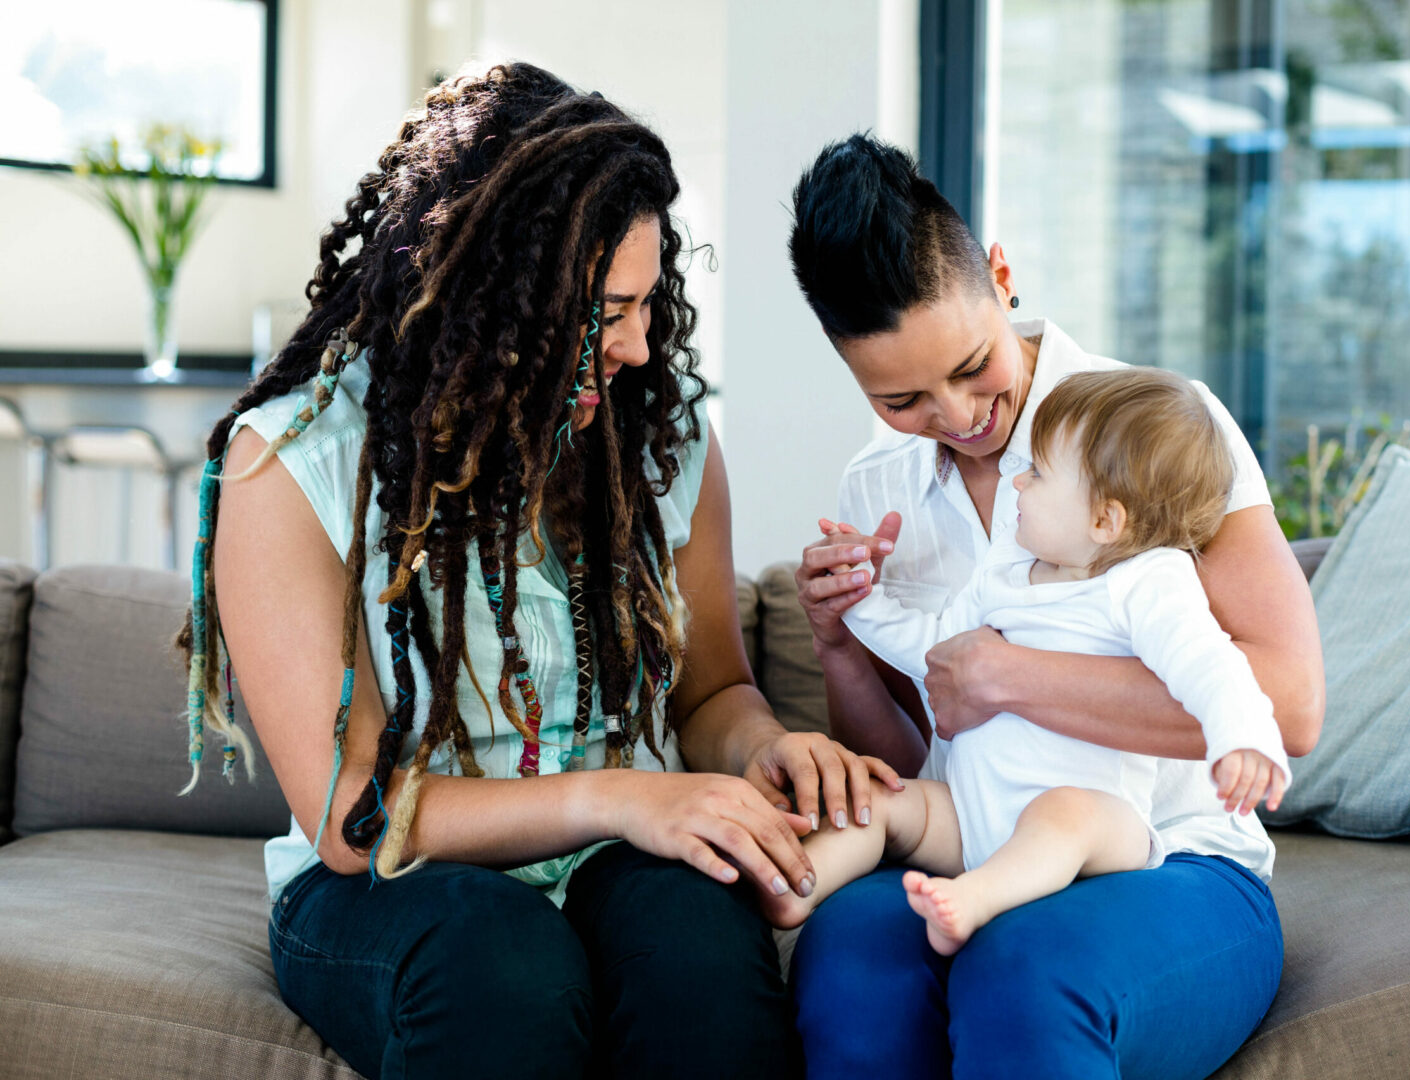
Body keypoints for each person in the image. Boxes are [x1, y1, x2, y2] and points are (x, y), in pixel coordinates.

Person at [178, 64, 899, 1080]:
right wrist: (618, 798)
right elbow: (357, 817)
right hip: (390, 886)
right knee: (506, 967)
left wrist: (766, 746)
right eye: (607, 313)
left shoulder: (662, 435)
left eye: (649, 305)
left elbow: (713, 695)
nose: (643, 348)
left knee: (700, 952)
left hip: (618, 854)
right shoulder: (293, 461)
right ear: (491, 298)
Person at [787, 134, 1325, 1079]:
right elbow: (912, 767)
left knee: (1027, 971)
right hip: (977, 841)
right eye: (902, 397)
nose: (955, 417)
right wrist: (837, 643)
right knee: (850, 965)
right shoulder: (878, 489)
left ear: (1001, 280)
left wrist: (1009, 675)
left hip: (1167, 857)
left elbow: (1289, 707)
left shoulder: (1154, 431)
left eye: (971, 365)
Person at [758, 367, 1291, 957]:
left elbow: (1207, 663)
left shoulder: (1147, 582)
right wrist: (858, 600)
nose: (1016, 485)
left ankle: (976, 902)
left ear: (1104, 520)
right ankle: (790, 887)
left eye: (1037, 473)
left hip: (1097, 832)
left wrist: (1242, 736)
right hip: (972, 821)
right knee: (886, 804)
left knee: (1064, 813)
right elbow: (934, 646)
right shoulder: (1006, 573)